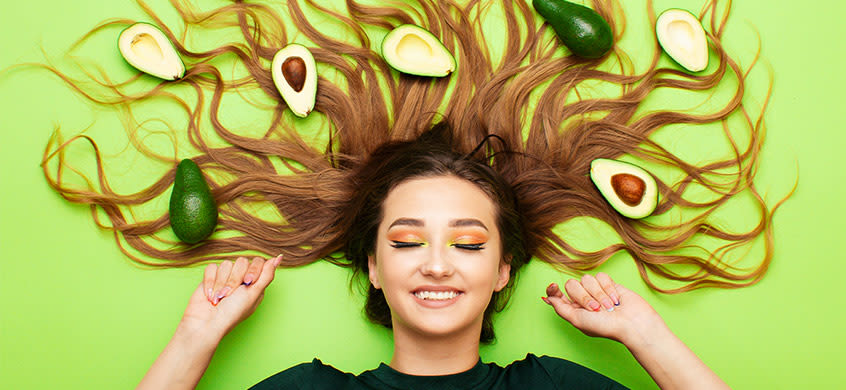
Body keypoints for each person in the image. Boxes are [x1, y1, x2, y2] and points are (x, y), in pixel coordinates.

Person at [136, 124, 730, 389]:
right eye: (406, 241)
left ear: (503, 271)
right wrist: (196, 338)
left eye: (468, 243)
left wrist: (644, 333)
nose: (438, 264)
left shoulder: (551, 386)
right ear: (373, 265)